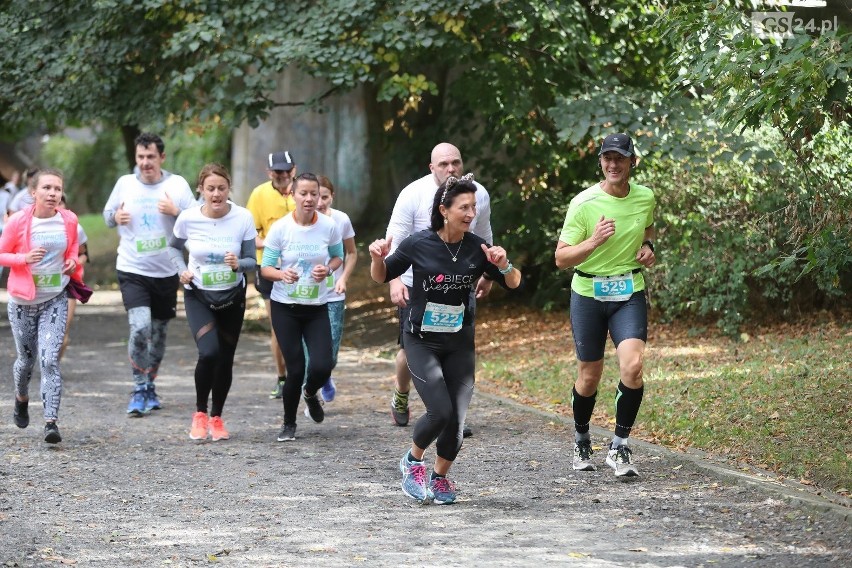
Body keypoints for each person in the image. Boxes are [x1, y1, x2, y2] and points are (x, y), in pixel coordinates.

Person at [369, 174, 522, 504]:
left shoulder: (477, 248)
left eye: (474, 207)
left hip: (459, 342)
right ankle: (413, 461)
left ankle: (439, 478)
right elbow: (383, 276)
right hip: (422, 339)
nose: (471, 213)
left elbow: (513, 282)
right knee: (439, 411)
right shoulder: (418, 243)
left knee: (456, 421)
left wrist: (504, 263)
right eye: (464, 207)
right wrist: (377, 257)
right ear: (444, 209)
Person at [554, 133, 656, 478]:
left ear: (632, 162)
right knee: (589, 376)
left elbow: (648, 231)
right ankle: (582, 437)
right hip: (588, 293)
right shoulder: (583, 203)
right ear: (600, 162)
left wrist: (649, 248)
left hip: (628, 290)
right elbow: (560, 258)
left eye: (620, 158)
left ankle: (620, 446)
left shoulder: (645, 198)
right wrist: (594, 241)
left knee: (633, 367)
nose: (613, 164)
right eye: (607, 158)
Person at [385, 142, 492, 438]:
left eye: (455, 162)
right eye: (443, 164)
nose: (451, 169)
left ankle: (453, 415)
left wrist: (488, 275)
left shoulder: (477, 194)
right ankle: (402, 393)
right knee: (411, 351)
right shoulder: (412, 194)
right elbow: (393, 239)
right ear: (431, 168)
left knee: (457, 345)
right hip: (415, 285)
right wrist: (393, 280)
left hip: (459, 282)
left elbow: (484, 236)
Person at [103, 132, 196, 417]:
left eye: (150, 157)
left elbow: (198, 222)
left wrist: (175, 211)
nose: (145, 163)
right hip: (132, 269)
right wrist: (115, 218)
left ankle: (150, 384)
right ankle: (138, 386)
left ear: (162, 157)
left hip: (167, 272)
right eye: (141, 157)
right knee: (140, 327)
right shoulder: (125, 184)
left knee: (159, 333)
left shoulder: (176, 184)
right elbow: (107, 215)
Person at [168, 163, 257, 441]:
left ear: (228, 189)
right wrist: (180, 269)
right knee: (209, 353)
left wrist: (237, 264)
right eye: (210, 189)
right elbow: (173, 247)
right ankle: (199, 413)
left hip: (232, 296)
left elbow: (252, 261)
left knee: (225, 358)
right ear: (201, 190)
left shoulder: (243, 217)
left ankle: (217, 417)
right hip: (199, 294)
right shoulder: (188, 217)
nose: (216, 194)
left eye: (221, 188)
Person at [0, 168, 82, 443]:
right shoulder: (18, 222)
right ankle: (21, 398)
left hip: (54, 299)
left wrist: (71, 261)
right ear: (33, 193)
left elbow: (72, 250)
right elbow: (2, 254)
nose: (53, 193)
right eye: (47, 188)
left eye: (57, 189)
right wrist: (23, 258)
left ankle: (50, 422)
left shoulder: (68, 220)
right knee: (26, 361)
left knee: (49, 360)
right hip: (23, 301)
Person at [260, 173, 343, 442]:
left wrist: (327, 270)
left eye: (314, 194)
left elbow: (338, 257)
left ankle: (310, 393)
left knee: (322, 365)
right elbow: (266, 268)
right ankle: (288, 423)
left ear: (320, 196)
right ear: (293, 195)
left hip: (317, 306)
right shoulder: (281, 228)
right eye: (303, 193)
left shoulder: (329, 226)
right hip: (285, 307)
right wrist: (282, 274)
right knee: (295, 368)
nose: (309, 199)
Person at [245, 151, 297, 400]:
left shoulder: (303, 193)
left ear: (294, 170)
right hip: (269, 267)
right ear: (269, 173)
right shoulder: (259, 194)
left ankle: (304, 377)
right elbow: (249, 235)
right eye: (278, 171)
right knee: (279, 327)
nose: (283, 175)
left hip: (302, 268)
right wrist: (270, 244)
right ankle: (282, 377)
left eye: (287, 170)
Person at [302, 174, 357, 405]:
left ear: (331, 197)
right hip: (306, 295)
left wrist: (343, 277)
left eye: (324, 197)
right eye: (316, 196)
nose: (320, 202)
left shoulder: (341, 220)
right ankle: (310, 394)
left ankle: (325, 376)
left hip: (333, 294)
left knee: (330, 352)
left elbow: (352, 253)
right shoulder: (300, 221)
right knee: (309, 353)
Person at [59, 194, 89, 361]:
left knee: (63, 329)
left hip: (68, 283)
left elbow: (85, 254)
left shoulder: (75, 227)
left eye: (61, 202)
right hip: (41, 284)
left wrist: (74, 263)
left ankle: (52, 367)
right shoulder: (34, 225)